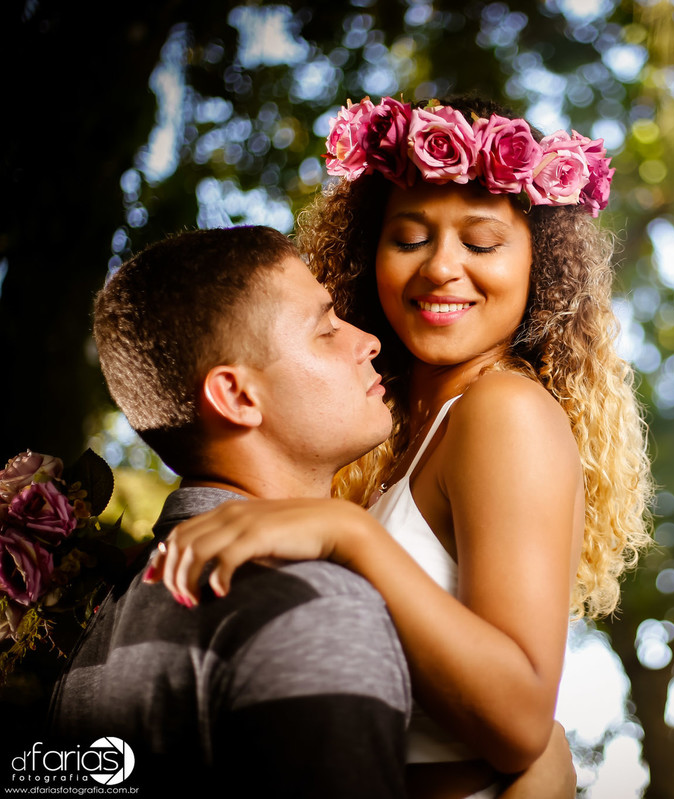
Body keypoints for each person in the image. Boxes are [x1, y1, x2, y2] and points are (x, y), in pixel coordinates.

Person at [153, 96, 653, 799]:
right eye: (410, 237)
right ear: (369, 252)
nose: (443, 267)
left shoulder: (501, 411)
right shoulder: (387, 437)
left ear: (539, 265)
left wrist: (346, 532)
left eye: (481, 243)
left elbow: (518, 721)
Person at [50, 226, 574, 798]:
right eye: (326, 330)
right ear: (238, 397)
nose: (367, 341)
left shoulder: (96, 633)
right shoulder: (312, 603)